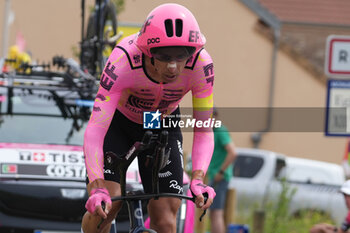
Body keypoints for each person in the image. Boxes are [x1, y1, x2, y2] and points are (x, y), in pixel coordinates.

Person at [81, 3, 216, 233]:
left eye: (181, 56)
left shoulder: (201, 65)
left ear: (192, 52)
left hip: (159, 120)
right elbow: (95, 129)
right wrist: (96, 186)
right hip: (119, 123)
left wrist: (199, 178)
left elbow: (203, 129)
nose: (173, 67)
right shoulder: (123, 59)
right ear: (147, 52)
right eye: (163, 56)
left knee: (165, 218)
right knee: (107, 206)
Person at [207, 108, 237, 233]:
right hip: (214, 176)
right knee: (212, 213)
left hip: (219, 177)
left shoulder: (220, 131)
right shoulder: (212, 131)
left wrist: (221, 172)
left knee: (216, 213)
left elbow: (233, 153)